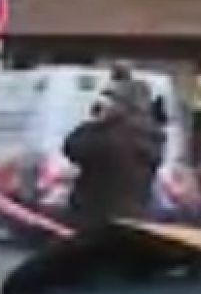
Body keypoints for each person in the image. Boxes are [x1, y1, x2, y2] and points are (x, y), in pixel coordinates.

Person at [63, 75, 164, 231]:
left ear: (123, 105)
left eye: (112, 100)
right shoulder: (151, 134)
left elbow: (73, 148)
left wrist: (95, 122)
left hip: (95, 216)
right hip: (133, 215)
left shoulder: (109, 134)